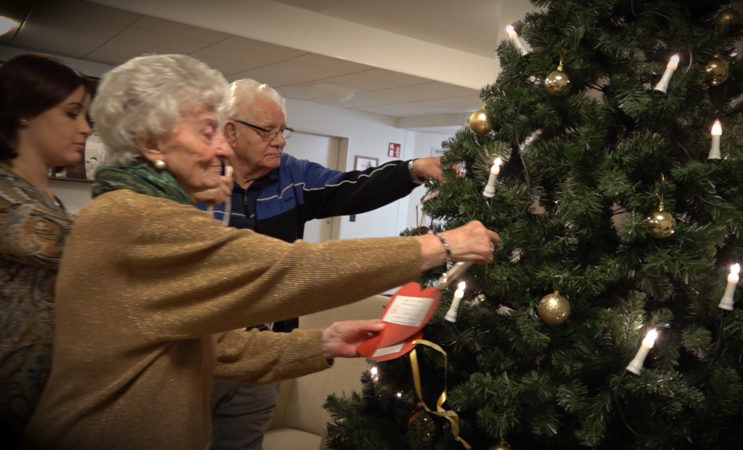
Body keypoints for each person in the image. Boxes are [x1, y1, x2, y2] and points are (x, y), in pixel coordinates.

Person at [17, 54, 499, 449]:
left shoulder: (132, 208)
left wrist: (322, 342)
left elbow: (214, 345)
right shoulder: (136, 219)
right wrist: (441, 244)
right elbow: (285, 269)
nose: (223, 150)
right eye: (208, 132)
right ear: (150, 142)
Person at [206, 78, 444, 449]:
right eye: (268, 130)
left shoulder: (292, 175)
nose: (281, 140)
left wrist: (412, 169)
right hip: (201, 355)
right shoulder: (197, 182)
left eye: (283, 130)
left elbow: (352, 186)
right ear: (232, 132)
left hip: (269, 354)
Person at [0, 53, 93, 445]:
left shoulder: (48, 200)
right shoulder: (6, 197)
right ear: (25, 112)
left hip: (47, 407)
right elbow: (83, 248)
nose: (86, 128)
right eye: (72, 113)